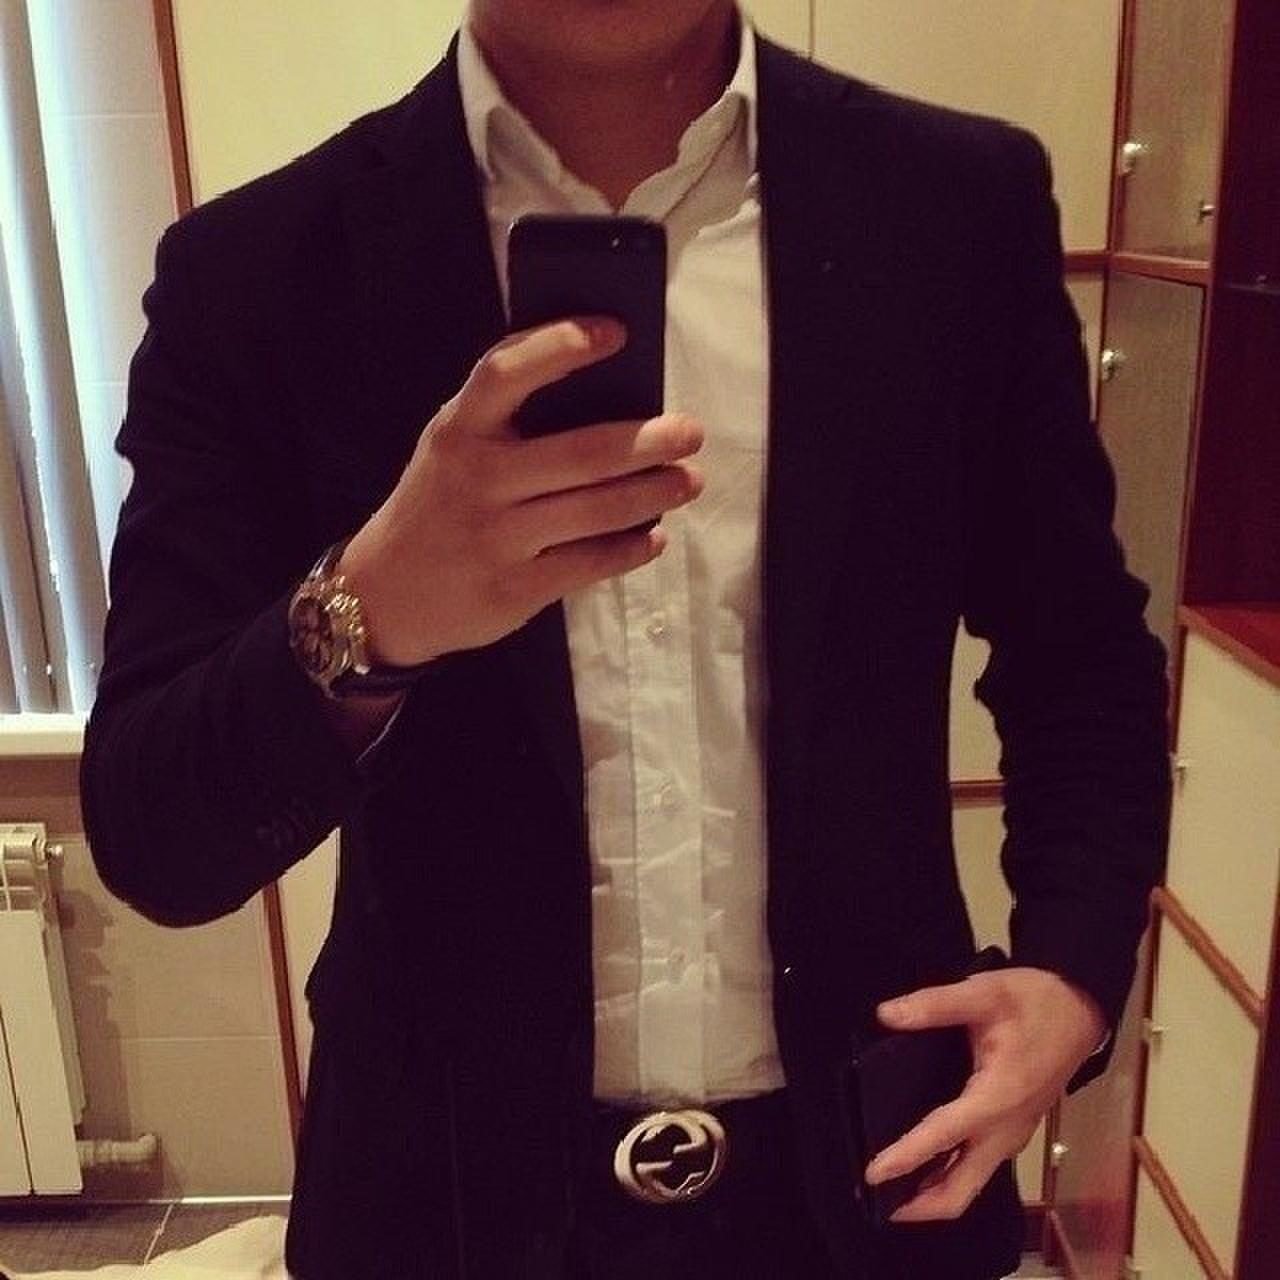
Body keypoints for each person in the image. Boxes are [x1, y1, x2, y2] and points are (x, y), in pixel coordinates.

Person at [80, 2, 1172, 1276]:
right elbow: (157, 833)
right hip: (442, 1202)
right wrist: (371, 609)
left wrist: (1071, 970)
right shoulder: (255, 270)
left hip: (874, 1172)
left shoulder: (953, 206)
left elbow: (1078, 659)